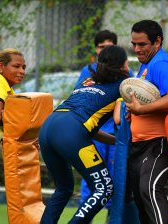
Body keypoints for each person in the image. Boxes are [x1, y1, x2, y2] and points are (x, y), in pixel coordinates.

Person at [39, 45, 129, 224]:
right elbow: (118, 119)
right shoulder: (123, 84)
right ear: (123, 65)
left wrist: (116, 141)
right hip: (71, 132)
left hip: (49, 127)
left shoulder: (87, 80)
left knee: (63, 189)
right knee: (104, 188)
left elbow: (89, 126)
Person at [125, 20, 168, 224]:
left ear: (157, 41)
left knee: (149, 188)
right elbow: (150, 99)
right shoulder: (147, 63)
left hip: (160, 142)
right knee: (141, 198)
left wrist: (141, 109)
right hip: (140, 143)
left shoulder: (161, 63)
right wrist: (133, 111)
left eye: (142, 44)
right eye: (133, 44)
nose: (136, 49)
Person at [76, 30, 118, 221]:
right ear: (96, 49)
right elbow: (80, 97)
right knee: (92, 181)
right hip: (94, 134)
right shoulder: (89, 70)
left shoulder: (125, 72)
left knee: (117, 181)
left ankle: (113, 219)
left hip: (117, 136)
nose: (105, 51)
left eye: (109, 47)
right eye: (102, 47)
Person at [0, 48, 26, 223]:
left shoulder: (10, 92)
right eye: (17, 66)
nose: (22, 71)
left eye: (24, 67)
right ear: (1, 67)